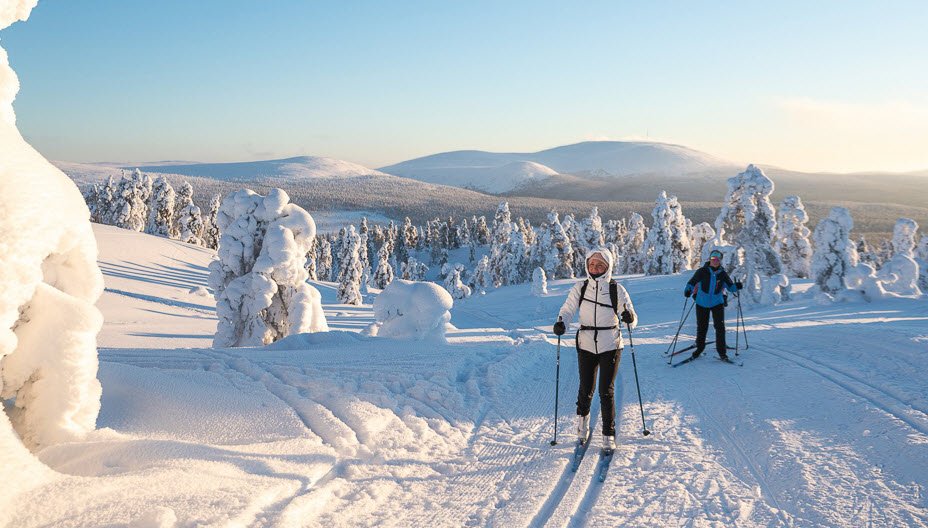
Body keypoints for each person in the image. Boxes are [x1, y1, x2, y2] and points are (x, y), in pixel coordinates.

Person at [553, 248, 637, 451]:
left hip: (611, 344)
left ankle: (608, 434)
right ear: (587, 266)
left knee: (606, 391)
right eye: (592, 264)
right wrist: (561, 322)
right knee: (585, 389)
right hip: (586, 343)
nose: (595, 268)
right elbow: (568, 309)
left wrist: (629, 318)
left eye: (600, 265)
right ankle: (582, 429)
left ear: (608, 267)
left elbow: (631, 317)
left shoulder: (616, 289)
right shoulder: (580, 288)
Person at [683, 249, 742, 360]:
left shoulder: (722, 274)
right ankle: (699, 349)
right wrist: (688, 290)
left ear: (720, 261)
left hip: (717, 303)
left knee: (720, 328)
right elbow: (692, 282)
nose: (715, 260)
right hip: (702, 303)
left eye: (717, 259)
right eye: (713, 258)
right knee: (702, 327)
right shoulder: (702, 271)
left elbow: (730, 287)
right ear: (710, 259)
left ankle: (722, 353)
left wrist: (737, 286)